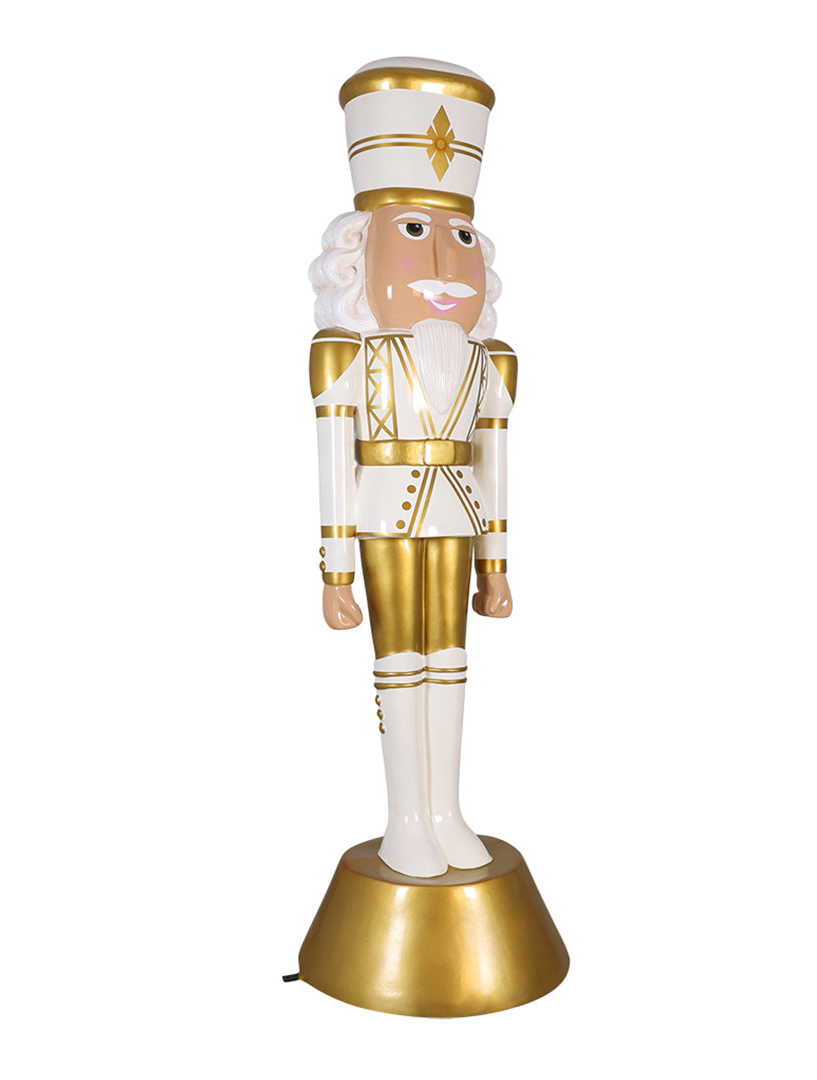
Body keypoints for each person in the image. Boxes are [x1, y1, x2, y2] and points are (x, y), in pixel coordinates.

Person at [308, 59, 516, 878]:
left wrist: (497, 565)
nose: (445, 265)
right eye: (415, 234)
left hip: (458, 512)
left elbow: (497, 465)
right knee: (400, 657)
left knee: (450, 658)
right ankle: (405, 818)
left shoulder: (489, 363)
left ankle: (444, 810)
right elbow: (334, 460)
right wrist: (335, 572)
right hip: (383, 513)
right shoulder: (345, 356)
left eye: (461, 238)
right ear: (357, 258)